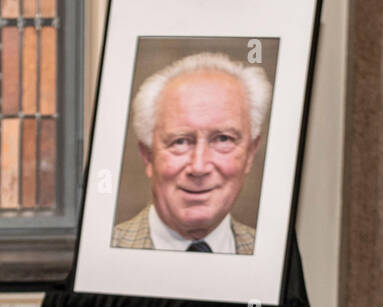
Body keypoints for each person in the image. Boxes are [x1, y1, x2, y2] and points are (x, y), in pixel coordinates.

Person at [112, 51, 272, 255]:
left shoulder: (275, 257)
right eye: (180, 142)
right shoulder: (100, 256)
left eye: (223, 139)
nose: (199, 167)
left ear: (250, 153)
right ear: (148, 156)